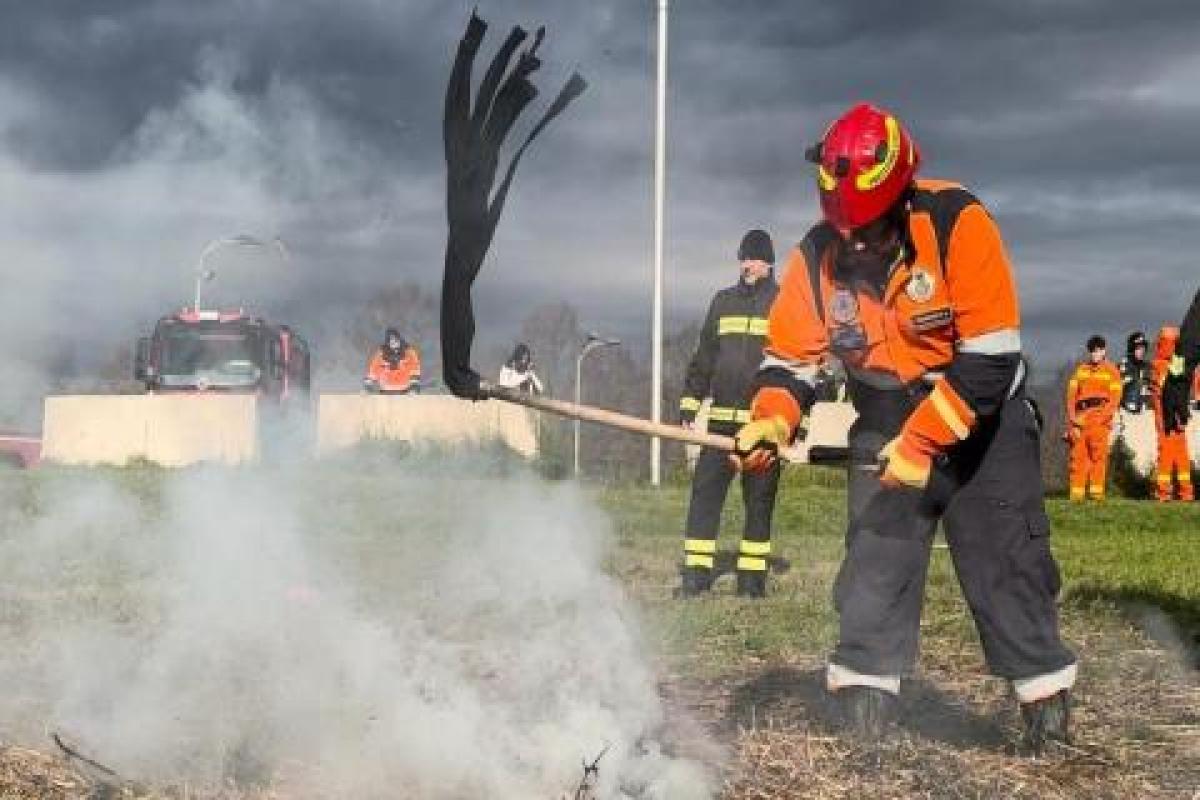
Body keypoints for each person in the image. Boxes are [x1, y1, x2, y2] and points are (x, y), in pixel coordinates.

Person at [730, 104, 1076, 750]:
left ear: (901, 197)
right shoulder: (816, 256)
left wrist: (921, 442)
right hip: (884, 415)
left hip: (982, 420)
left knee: (1005, 557)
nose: (857, 247)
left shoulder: (957, 223)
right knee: (876, 557)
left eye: (870, 230)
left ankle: (1044, 701)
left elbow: (990, 359)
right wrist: (772, 421)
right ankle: (866, 698)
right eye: (847, 232)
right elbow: (789, 362)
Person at [677, 229, 781, 599]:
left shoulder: (784, 303)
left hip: (762, 425)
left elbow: (797, 363)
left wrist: (795, 424)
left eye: (753, 258)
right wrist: (690, 402)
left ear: (769, 263)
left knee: (759, 503)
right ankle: (695, 577)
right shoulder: (722, 302)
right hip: (719, 424)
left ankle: (751, 583)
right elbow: (704, 356)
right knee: (704, 496)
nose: (746, 265)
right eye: (743, 258)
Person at [1064, 336, 1122, 502]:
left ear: (1104, 351)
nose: (1095, 354)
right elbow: (1071, 397)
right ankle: (1076, 495)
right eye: (1092, 351)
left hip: (1099, 417)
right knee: (1078, 457)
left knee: (1098, 457)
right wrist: (1073, 421)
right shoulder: (1081, 370)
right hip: (1081, 418)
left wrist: (1103, 418)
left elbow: (1115, 399)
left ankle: (1096, 494)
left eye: (1098, 350)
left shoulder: (1112, 371)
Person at [1150, 326, 1193, 502]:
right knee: (1174, 454)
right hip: (1168, 416)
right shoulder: (1166, 365)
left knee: (1175, 454)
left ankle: (1171, 492)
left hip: (1169, 416)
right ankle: (1176, 492)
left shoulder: (1163, 365)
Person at [1161, 289, 1200, 435]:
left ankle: (1175, 413)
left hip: (1186, 347)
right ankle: (1175, 413)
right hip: (1187, 346)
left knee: (1176, 375)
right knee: (1176, 375)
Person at [364, 328, 422, 394]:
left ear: (399, 340)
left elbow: (415, 367)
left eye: (396, 340)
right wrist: (369, 382)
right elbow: (374, 368)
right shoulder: (381, 354)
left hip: (404, 388)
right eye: (391, 341)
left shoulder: (409, 353)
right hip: (386, 388)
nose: (394, 343)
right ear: (388, 343)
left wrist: (414, 384)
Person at [1119, 331, 1151, 414]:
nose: (1141, 351)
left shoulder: (1147, 366)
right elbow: (1118, 386)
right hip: (1127, 411)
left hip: (1144, 410)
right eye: (1138, 348)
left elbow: (1149, 387)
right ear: (1131, 349)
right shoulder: (1125, 365)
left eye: (1143, 348)